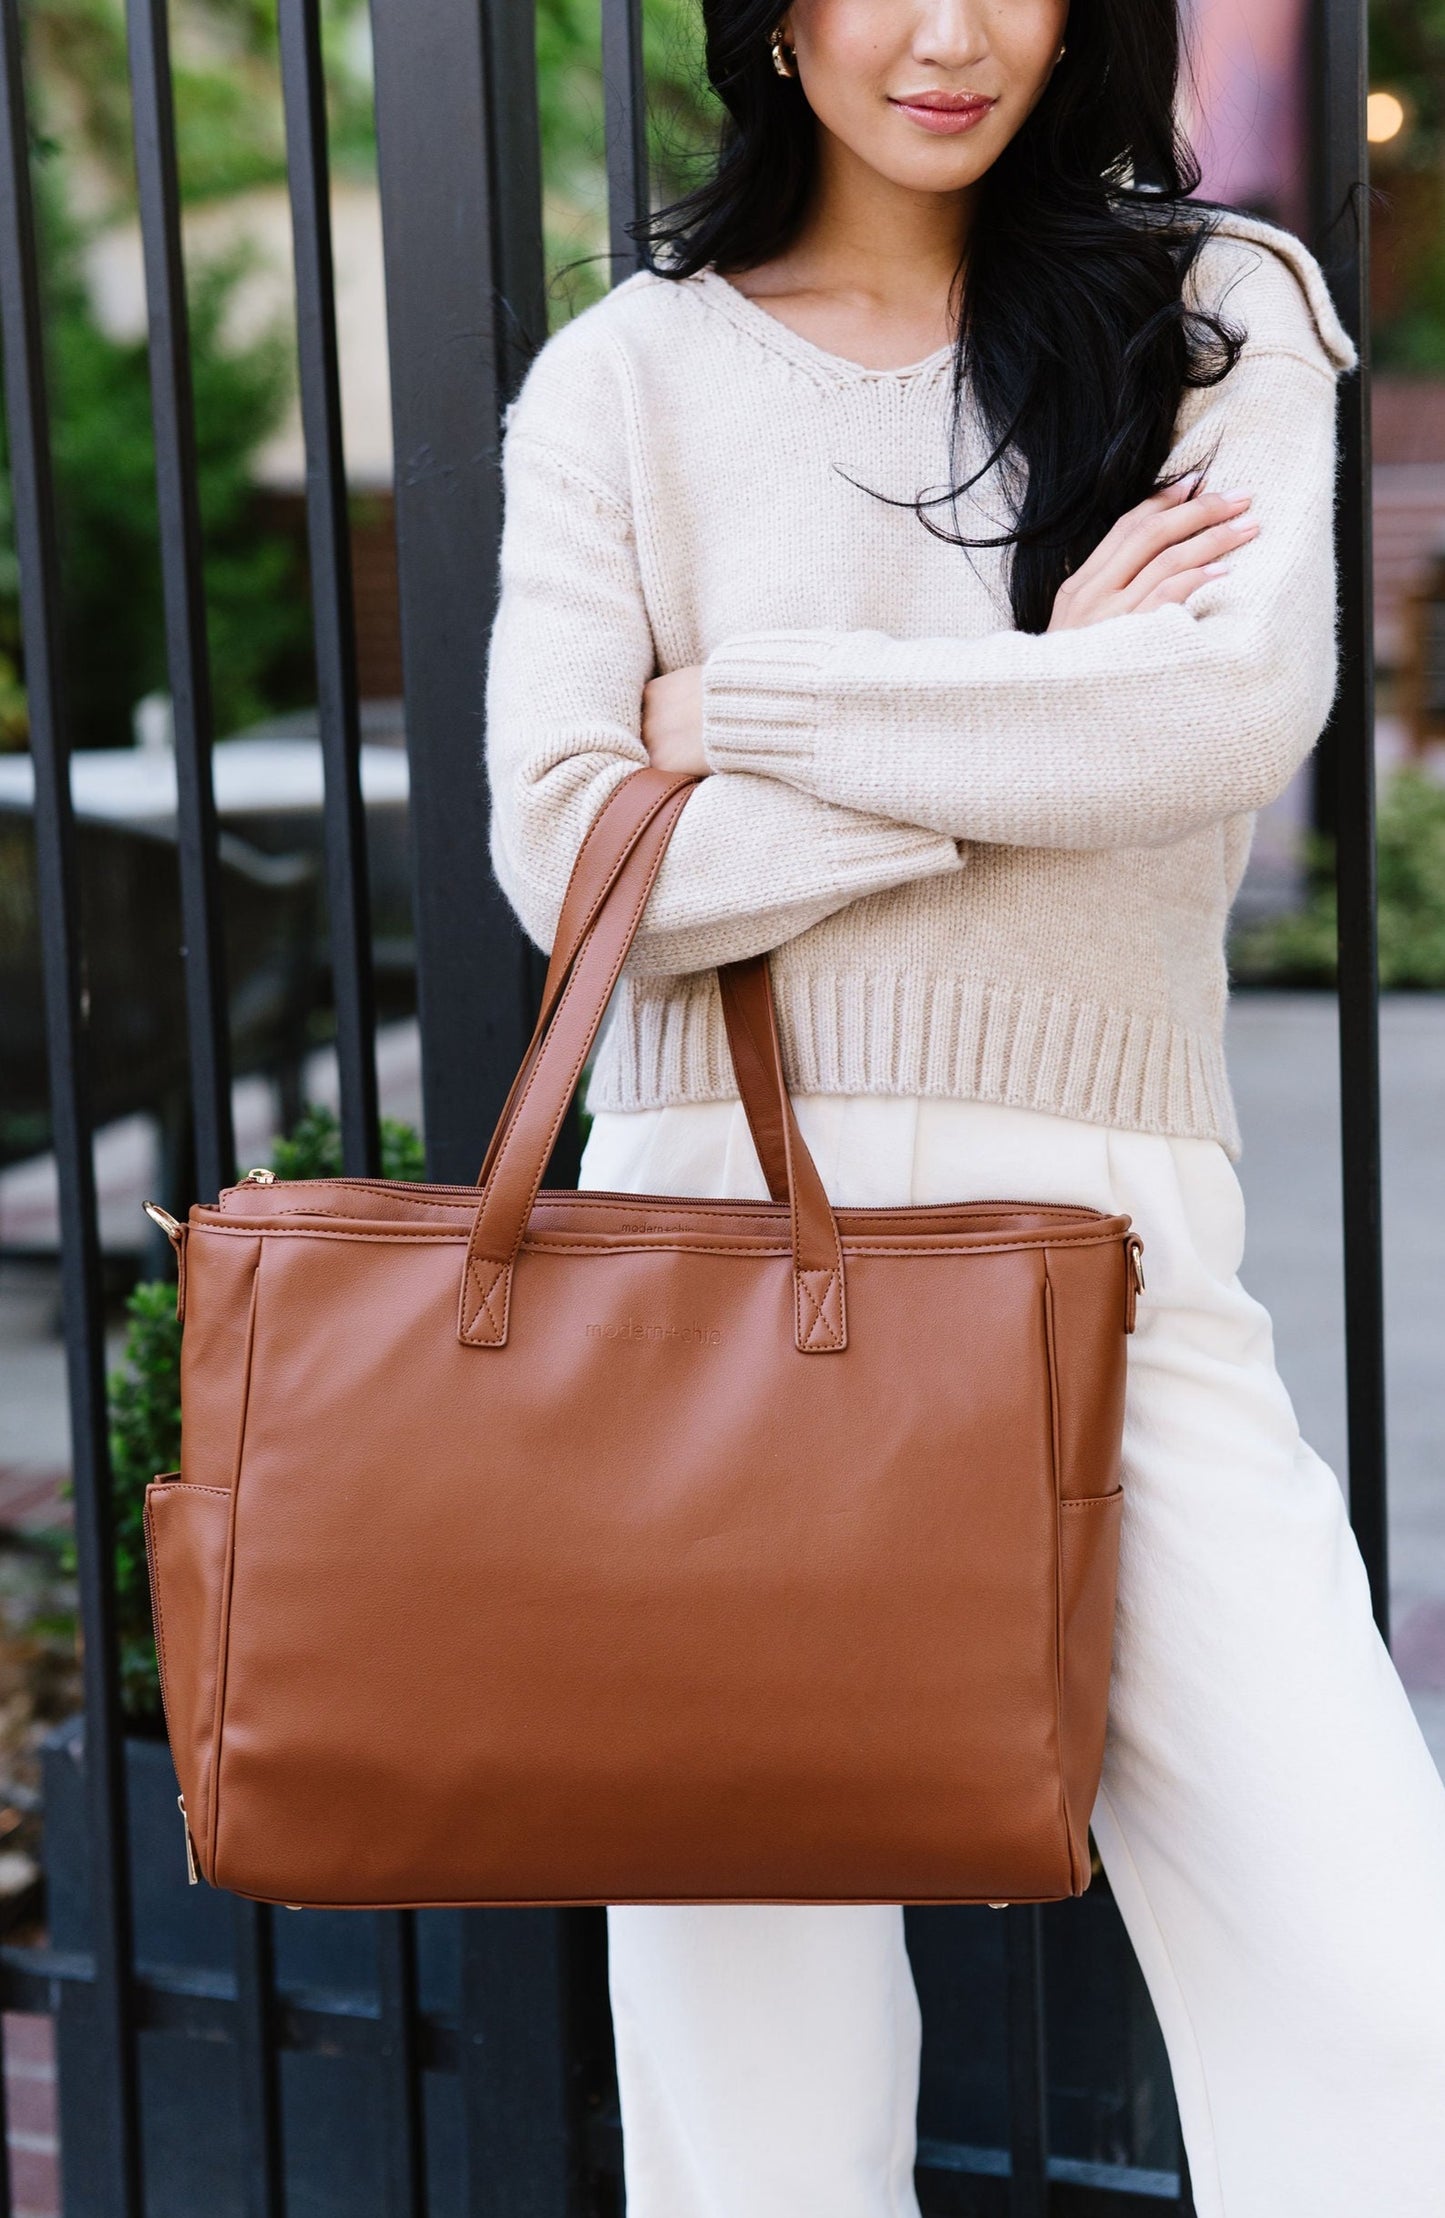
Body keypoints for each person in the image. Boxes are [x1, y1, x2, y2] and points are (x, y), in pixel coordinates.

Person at [483, 3, 1445, 2212]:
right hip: (710, 1257)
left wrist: (739, 714)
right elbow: (578, 861)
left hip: (1111, 1266)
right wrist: (1031, 705)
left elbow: (1210, 718)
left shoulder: (1218, 307)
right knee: (757, 2104)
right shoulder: (625, 378)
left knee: (1386, 1992)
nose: (949, 33)